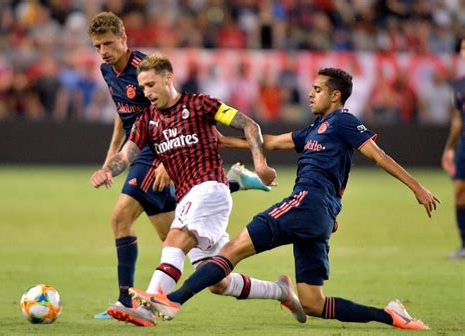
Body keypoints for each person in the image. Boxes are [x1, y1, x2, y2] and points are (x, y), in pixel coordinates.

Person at [134, 67, 440, 331]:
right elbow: (271, 142)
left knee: (232, 249)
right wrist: (224, 140)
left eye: (318, 89)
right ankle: (390, 316)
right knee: (312, 303)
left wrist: (416, 187)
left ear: (335, 96)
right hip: (319, 217)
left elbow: (378, 155)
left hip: (307, 202)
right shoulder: (314, 129)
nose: (310, 94)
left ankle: (172, 300)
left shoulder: (344, 122)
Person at [90, 53, 305, 327]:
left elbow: (249, 125)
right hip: (187, 198)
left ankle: (148, 305)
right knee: (217, 280)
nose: (146, 92)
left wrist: (260, 163)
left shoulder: (201, 104)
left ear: (168, 79)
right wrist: (109, 169)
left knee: (174, 239)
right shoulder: (147, 121)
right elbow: (127, 154)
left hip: (209, 188)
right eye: (143, 87)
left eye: (151, 85)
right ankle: (281, 290)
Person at [442, 38, 465, 258]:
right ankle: (464, 245)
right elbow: (458, 120)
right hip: (464, 146)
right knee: (459, 192)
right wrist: (449, 148)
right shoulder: (459, 85)